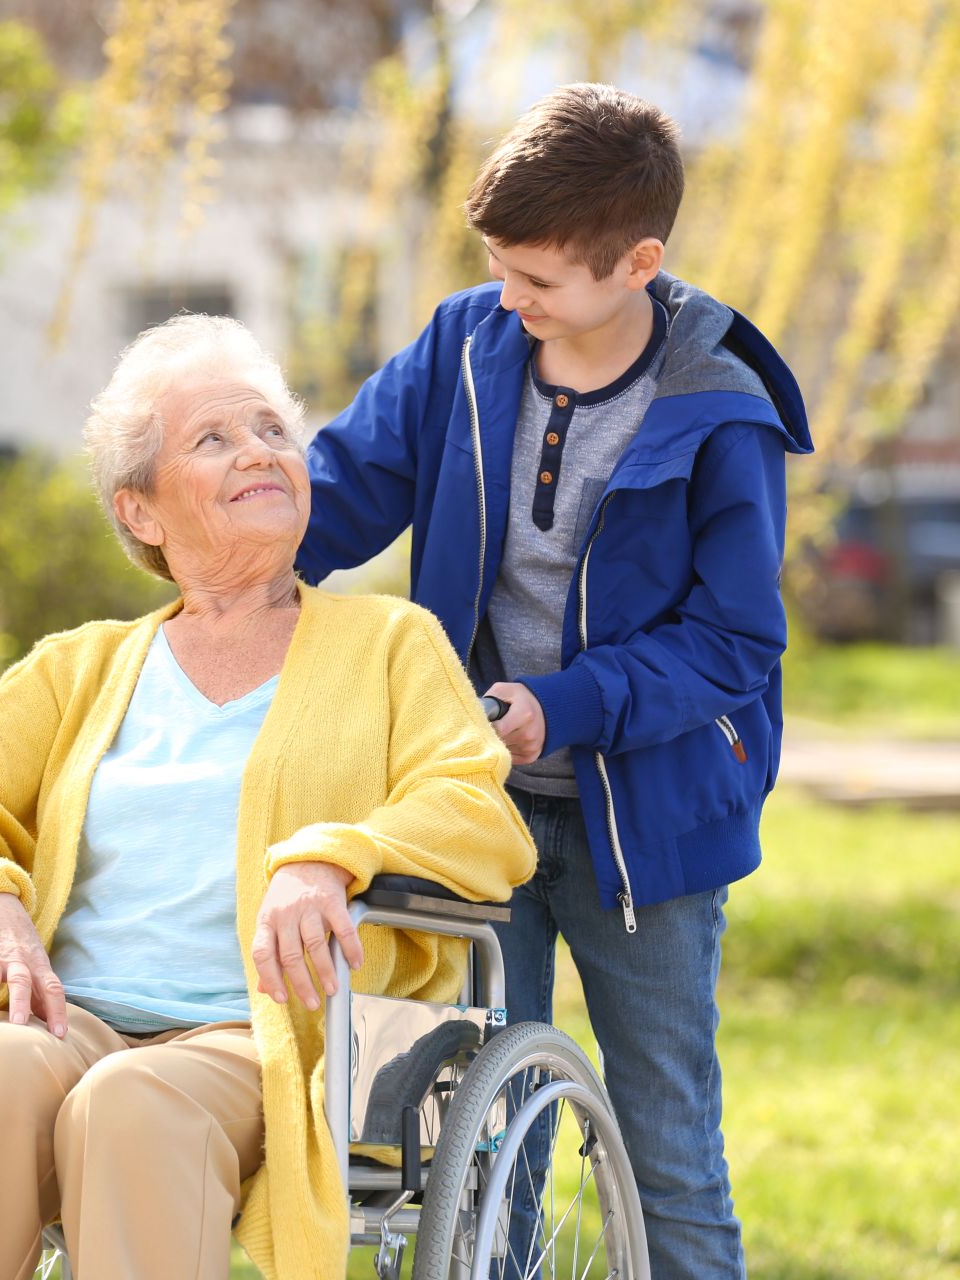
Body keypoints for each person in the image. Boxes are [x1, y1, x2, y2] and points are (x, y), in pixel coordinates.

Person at [0, 315, 536, 1280]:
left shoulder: (390, 644)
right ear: (141, 511)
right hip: (73, 1017)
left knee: (133, 1099)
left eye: (272, 429)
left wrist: (334, 856)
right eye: (214, 438)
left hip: (272, 1040)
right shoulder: (82, 668)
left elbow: (475, 807)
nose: (259, 451)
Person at [297, 83, 814, 1278]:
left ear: (638, 265)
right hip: (470, 809)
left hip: (650, 834)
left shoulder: (719, 409)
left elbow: (734, 639)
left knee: (669, 1152)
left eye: (536, 279)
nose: (509, 299)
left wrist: (564, 704)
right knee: (465, 1154)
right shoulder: (464, 346)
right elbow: (342, 489)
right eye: (497, 268)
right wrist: (226, 544)